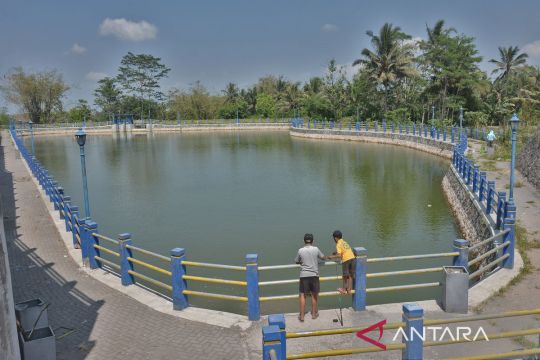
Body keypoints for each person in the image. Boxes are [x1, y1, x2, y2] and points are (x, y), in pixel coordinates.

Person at [294, 233, 325, 322]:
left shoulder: (300, 250)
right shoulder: (316, 249)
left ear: (304, 241)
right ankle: (314, 314)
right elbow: (323, 257)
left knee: (303, 295)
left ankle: (302, 316)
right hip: (314, 275)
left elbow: (296, 261)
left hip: (304, 275)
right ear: (313, 241)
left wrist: (301, 262)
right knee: (314, 295)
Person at [326, 230, 356, 294]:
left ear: (335, 238)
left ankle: (343, 289)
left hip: (346, 260)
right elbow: (343, 250)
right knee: (350, 275)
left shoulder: (338, 244)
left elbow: (339, 255)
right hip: (352, 258)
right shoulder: (344, 242)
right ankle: (349, 289)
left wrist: (331, 257)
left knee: (345, 276)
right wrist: (335, 252)